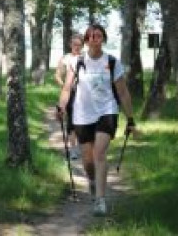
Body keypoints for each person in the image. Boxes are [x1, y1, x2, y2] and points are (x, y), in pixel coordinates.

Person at [57, 24, 137, 216]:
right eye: (91, 36)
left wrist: (130, 118)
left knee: (99, 153)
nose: (94, 39)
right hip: (82, 114)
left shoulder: (112, 61)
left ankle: (100, 200)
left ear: (103, 39)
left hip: (107, 111)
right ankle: (92, 181)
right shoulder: (77, 62)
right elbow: (67, 88)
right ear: (86, 40)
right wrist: (61, 107)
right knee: (87, 159)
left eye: (98, 35)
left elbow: (123, 92)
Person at [55, 33, 84, 160]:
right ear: (70, 45)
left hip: (84, 93)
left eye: (79, 45)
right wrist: (65, 85)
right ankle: (73, 149)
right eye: (74, 44)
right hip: (70, 93)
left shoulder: (86, 57)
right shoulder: (65, 58)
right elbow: (57, 75)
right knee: (71, 120)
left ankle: (83, 146)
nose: (77, 47)